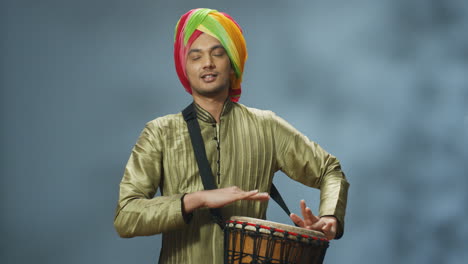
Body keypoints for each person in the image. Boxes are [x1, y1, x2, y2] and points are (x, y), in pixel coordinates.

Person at [114, 8, 349, 264]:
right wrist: (196, 199)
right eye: (196, 56)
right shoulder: (159, 132)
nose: (207, 63)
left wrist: (330, 218)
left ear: (233, 63)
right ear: (185, 66)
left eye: (218, 53)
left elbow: (329, 170)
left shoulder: (266, 126)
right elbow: (126, 216)